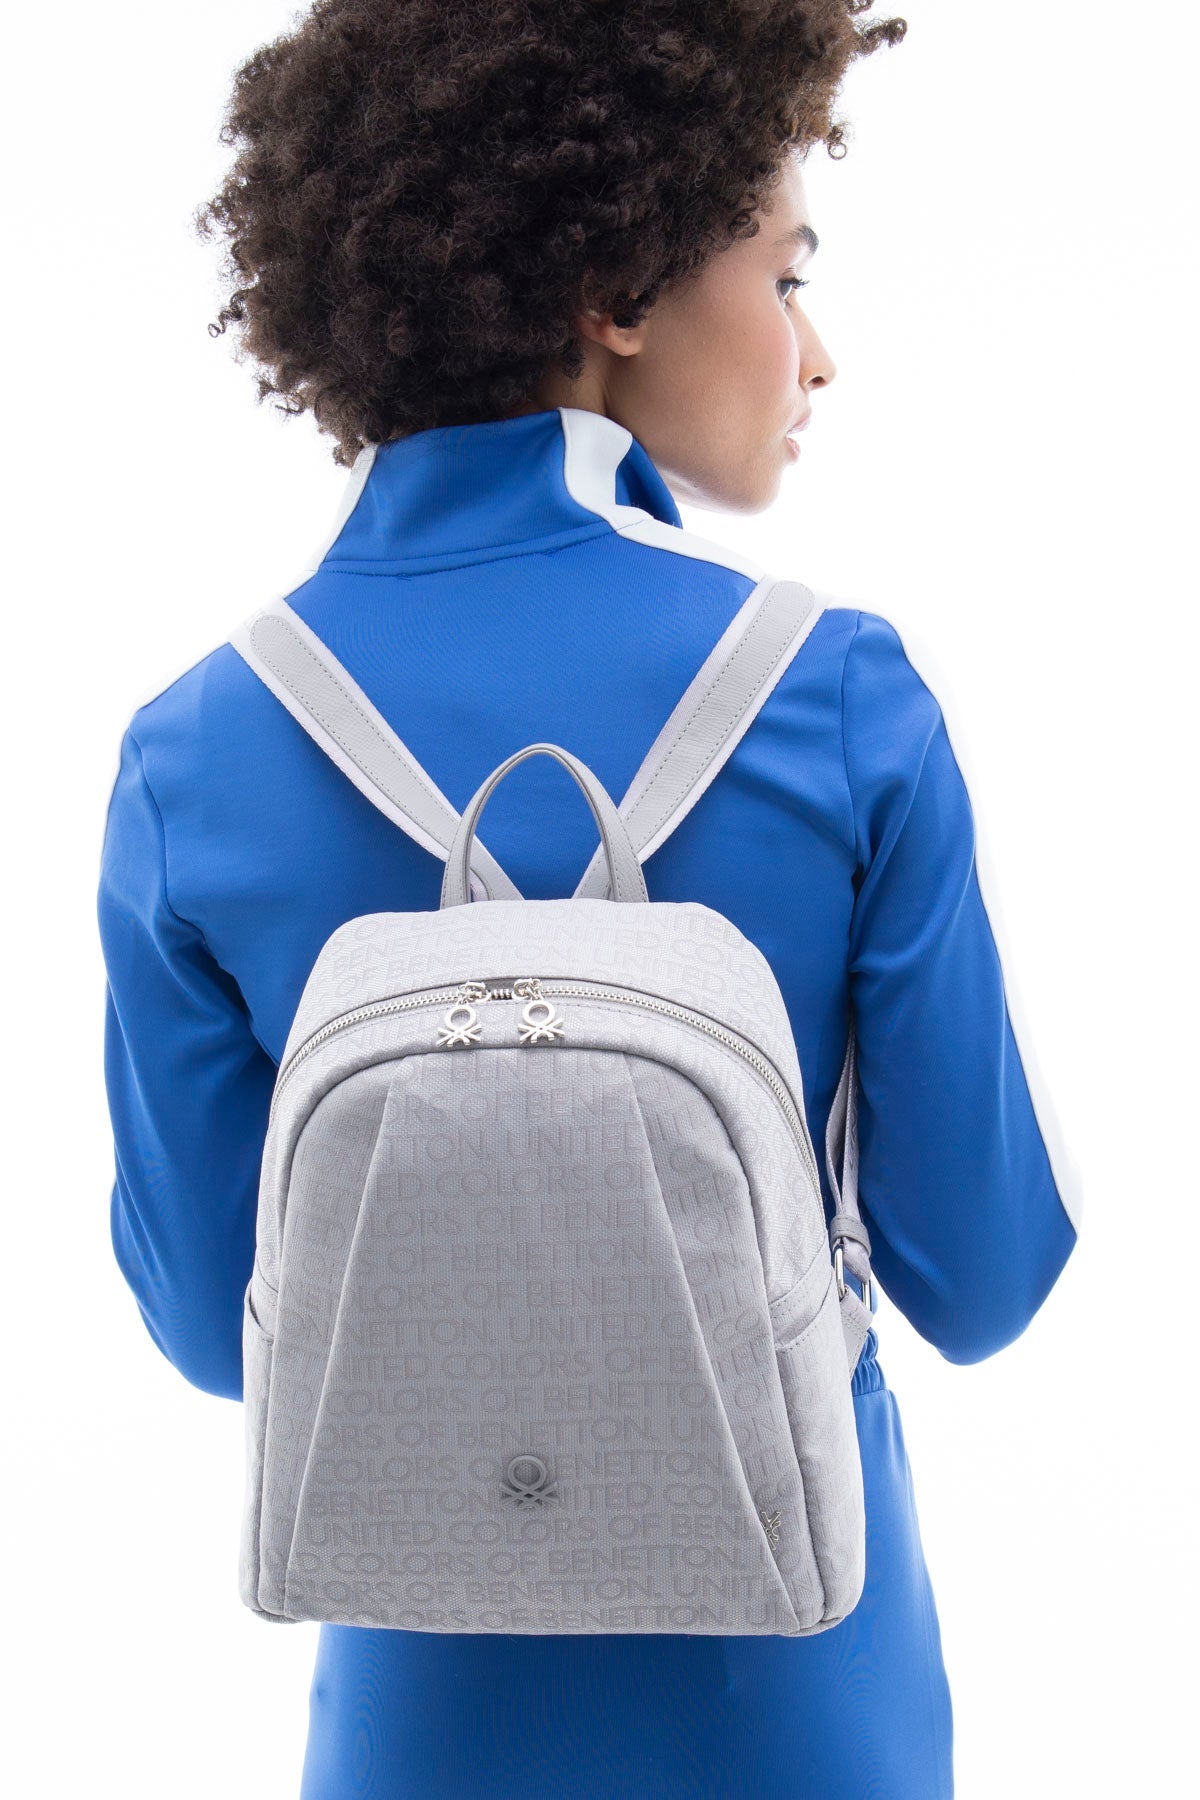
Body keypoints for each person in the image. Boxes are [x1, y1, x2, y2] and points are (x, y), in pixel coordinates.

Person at [96, 3, 1079, 1795]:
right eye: (787, 276)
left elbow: (208, 1331)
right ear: (616, 289)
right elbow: (985, 1275)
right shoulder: (836, 696)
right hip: (799, 1708)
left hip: (412, 1717)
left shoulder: (195, 750)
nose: (818, 352)